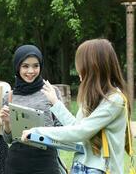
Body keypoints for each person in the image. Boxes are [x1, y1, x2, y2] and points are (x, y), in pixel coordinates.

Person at [21, 39, 130, 174]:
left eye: (81, 66)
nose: (78, 70)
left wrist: (38, 131)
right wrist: (55, 103)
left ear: (93, 67)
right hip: (80, 166)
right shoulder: (92, 97)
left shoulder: (115, 100)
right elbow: (76, 126)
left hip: (99, 170)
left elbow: (81, 131)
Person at [0, 44, 64, 174]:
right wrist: (7, 122)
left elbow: (62, 128)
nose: (31, 71)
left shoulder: (51, 92)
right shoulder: (9, 97)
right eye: (25, 66)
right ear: (17, 67)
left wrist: (43, 132)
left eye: (36, 65)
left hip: (46, 159)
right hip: (17, 161)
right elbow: (8, 139)